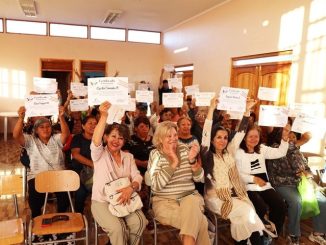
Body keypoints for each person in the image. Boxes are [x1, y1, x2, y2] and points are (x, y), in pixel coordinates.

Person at [203, 97, 265, 245]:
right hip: (216, 199)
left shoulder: (228, 152)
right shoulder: (207, 155)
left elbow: (240, 133)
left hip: (235, 195)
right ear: (212, 140)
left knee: (243, 218)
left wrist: (247, 110)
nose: (223, 140)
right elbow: (205, 133)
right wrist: (211, 109)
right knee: (248, 212)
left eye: (225, 137)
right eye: (218, 137)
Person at [91, 101, 147, 245]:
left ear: (124, 141)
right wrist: (104, 116)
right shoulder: (99, 155)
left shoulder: (128, 157)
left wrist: (131, 187)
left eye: (121, 138)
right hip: (102, 201)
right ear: (106, 137)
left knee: (140, 222)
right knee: (118, 229)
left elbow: (137, 176)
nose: (116, 141)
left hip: (125, 198)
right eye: (113, 136)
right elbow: (95, 141)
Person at [146, 121, 210, 245]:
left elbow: (200, 178)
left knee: (191, 202)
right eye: (168, 136)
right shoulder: (155, 155)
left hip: (190, 197)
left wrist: (192, 162)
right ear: (160, 138)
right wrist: (174, 163)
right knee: (200, 221)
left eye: (175, 135)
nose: (173, 139)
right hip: (165, 202)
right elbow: (156, 186)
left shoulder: (185, 149)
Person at [266, 126, 326, 245]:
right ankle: (293, 235)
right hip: (282, 183)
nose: (292, 139)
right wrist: (297, 172)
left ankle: (317, 233)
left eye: (293, 136)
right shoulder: (274, 148)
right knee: (296, 201)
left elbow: (306, 168)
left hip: (302, 183)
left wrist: (308, 174)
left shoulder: (297, 150)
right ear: (280, 137)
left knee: (322, 200)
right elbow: (282, 168)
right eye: (288, 135)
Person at [13, 106, 70, 218]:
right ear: (36, 130)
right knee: (35, 198)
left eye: (48, 126)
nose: (45, 129)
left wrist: (61, 117)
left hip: (57, 175)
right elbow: (16, 135)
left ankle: (62, 221)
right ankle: (37, 221)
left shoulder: (56, 139)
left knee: (64, 197)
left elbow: (66, 134)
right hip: (37, 176)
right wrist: (21, 118)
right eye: (41, 127)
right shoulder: (30, 140)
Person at [235, 121, 289, 237]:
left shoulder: (262, 148)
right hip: (247, 187)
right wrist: (253, 178)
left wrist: (284, 139)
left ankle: (271, 234)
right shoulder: (239, 152)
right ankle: (257, 234)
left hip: (264, 185)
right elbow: (237, 173)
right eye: (250, 136)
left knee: (280, 205)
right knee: (260, 207)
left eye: (256, 136)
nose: (254, 139)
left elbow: (280, 152)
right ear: (244, 138)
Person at [70, 115, 98, 213]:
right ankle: (79, 215)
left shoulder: (100, 139)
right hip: (79, 171)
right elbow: (75, 155)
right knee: (80, 193)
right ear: (83, 126)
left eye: (95, 124)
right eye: (90, 123)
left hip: (97, 173)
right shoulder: (77, 138)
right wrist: (93, 164)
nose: (93, 126)